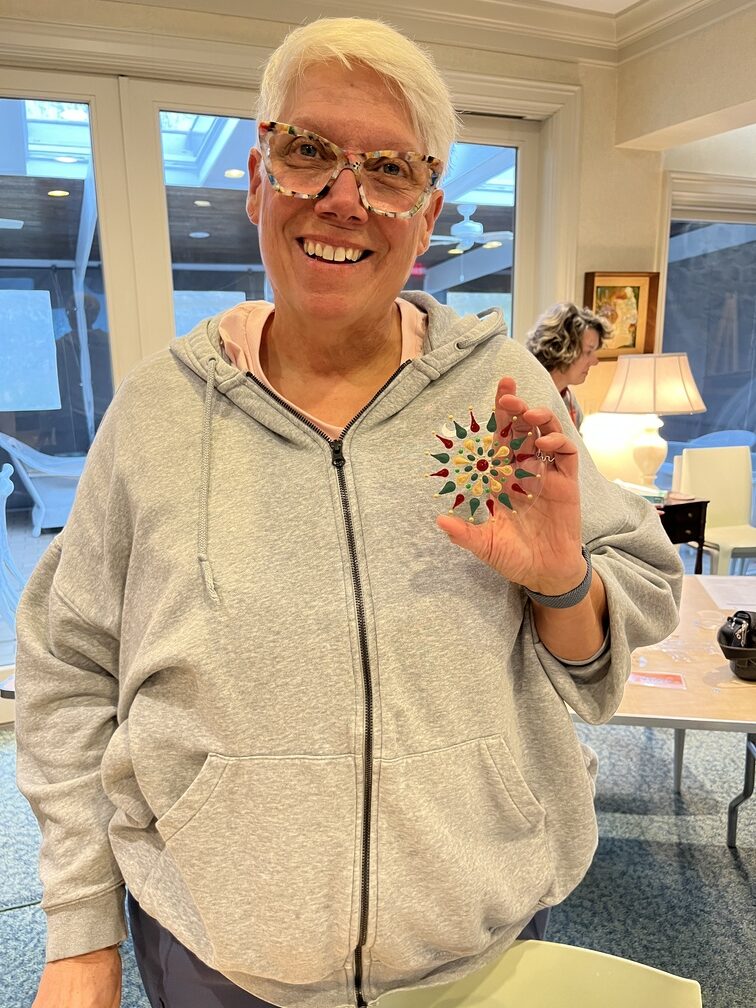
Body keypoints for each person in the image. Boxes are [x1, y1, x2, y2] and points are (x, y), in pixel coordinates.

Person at [15, 17, 683, 1008]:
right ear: (258, 178)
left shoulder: (502, 391)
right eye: (308, 152)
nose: (344, 197)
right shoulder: (155, 415)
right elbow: (68, 668)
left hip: (483, 945)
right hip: (218, 958)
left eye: (389, 169)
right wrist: (80, 932)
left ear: (428, 212)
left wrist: (563, 586)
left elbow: (633, 596)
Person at [525, 302, 611, 430]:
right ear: (560, 348)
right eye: (588, 351)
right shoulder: (525, 399)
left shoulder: (570, 403)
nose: (595, 361)